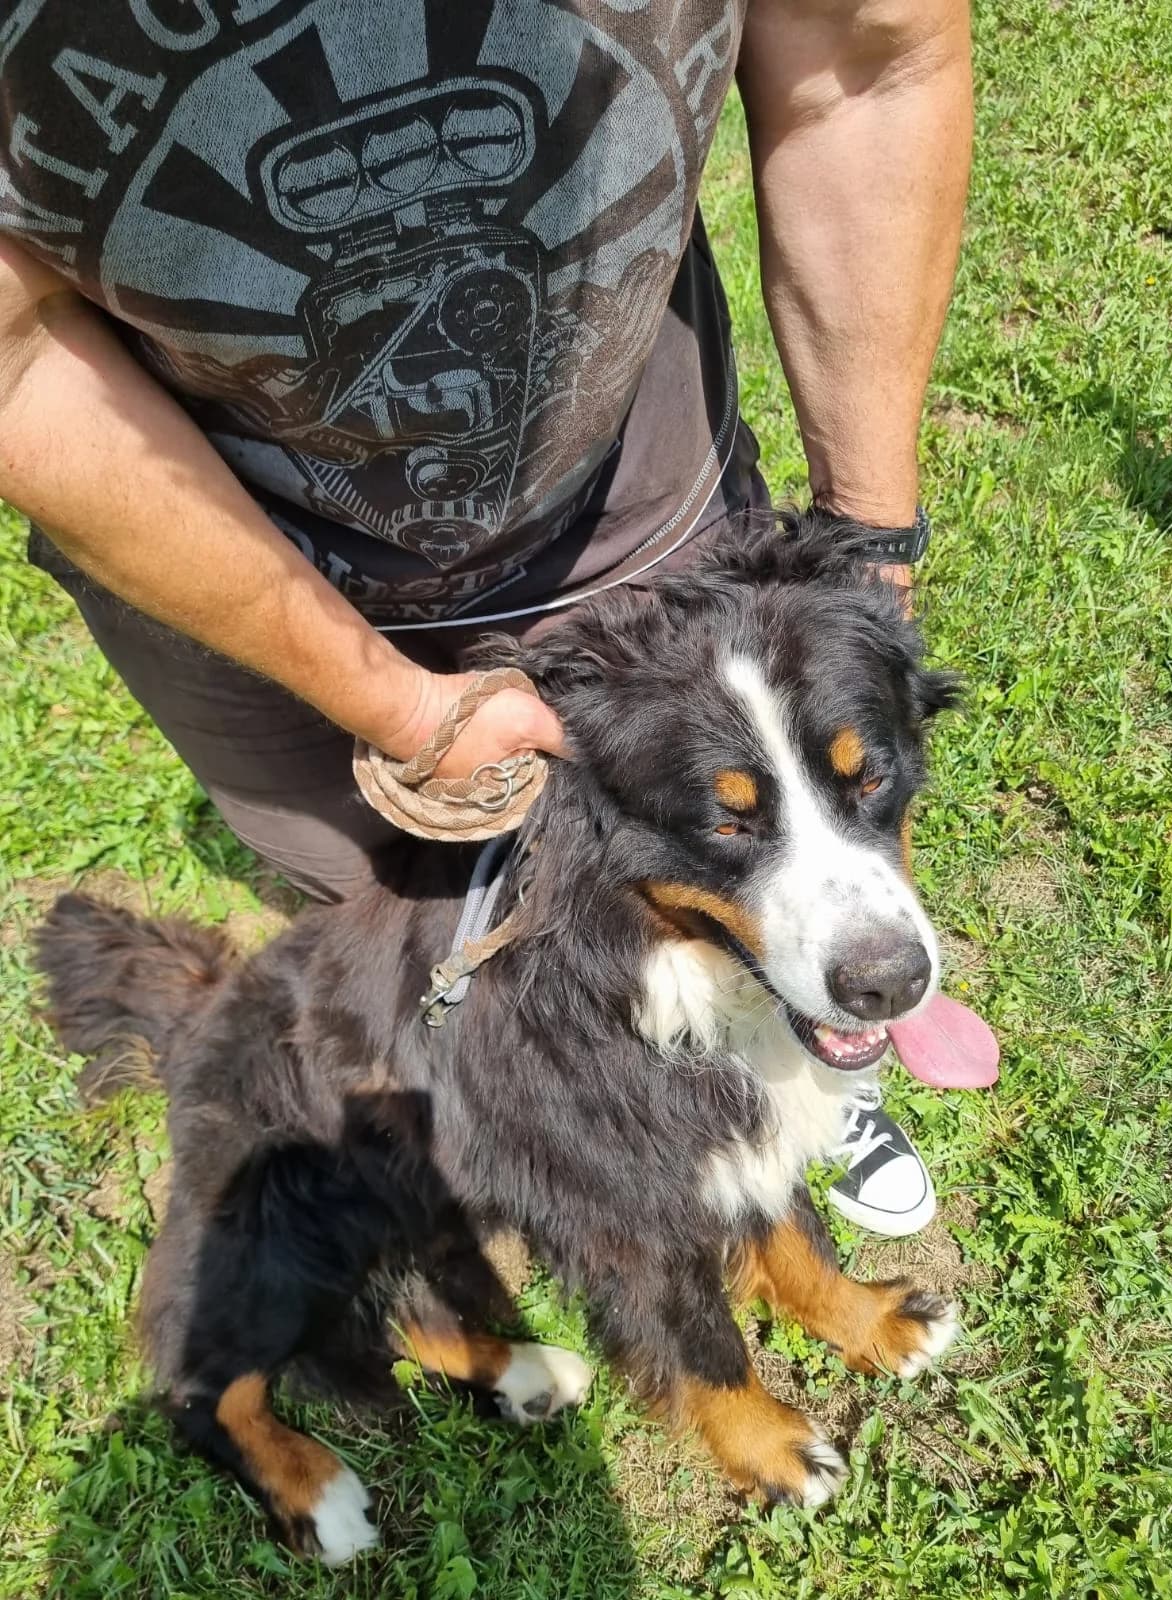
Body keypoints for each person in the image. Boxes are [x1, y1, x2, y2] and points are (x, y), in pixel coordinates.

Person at [0, 0, 972, 1236]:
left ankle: (804, 1055)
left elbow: (864, 56)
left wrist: (872, 547)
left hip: (636, 495)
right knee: (396, 909)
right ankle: (568, 1093)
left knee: (762, 806)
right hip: (219, 549)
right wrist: (393, 703)